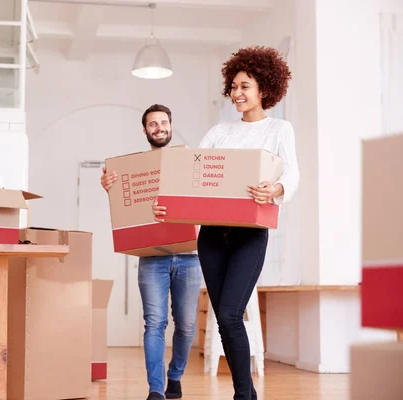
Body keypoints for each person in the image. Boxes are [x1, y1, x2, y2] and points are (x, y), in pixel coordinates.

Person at [153, 46, 299, 400]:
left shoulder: (279, 129)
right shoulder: (219, 132)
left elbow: (293, 173)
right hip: (213, 236)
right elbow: (192, 172)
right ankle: (244, 395)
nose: (236, 93)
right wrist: (168, 203)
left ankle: (243, 396)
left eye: (244, 86)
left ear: (264, 88)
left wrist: (276, 188)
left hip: (250, 235)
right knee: (223, 318)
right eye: (233, 86)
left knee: (231, 314)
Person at [101, 104, 202, 400]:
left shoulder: (188, 159)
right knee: (154, 323)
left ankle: (175, 377)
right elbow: (124, 204)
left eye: (163, 122)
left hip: (188, 255)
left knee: (186, 324)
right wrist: (110, 187)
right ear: (145, 130)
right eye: (153, 124)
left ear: (171, 126)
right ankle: (156, 389)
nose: (159, 127)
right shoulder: (133, 171)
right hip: (152, 257)